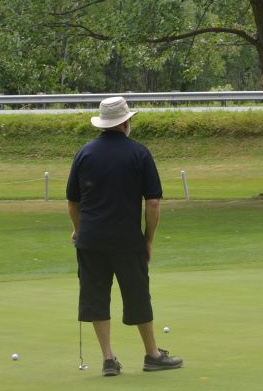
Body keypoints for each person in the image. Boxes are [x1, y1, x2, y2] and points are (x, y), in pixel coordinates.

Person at [67, 96, 183, 376]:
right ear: (126, 122)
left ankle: (108, 359)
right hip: (127, 240)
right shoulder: (139, 153)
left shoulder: (84, 153)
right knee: (137, 296)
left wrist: (79, 229)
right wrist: (149, 240)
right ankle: (152, 355)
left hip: (91, 240)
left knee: (95, 297)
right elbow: (153, 202)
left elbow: (73, 201)